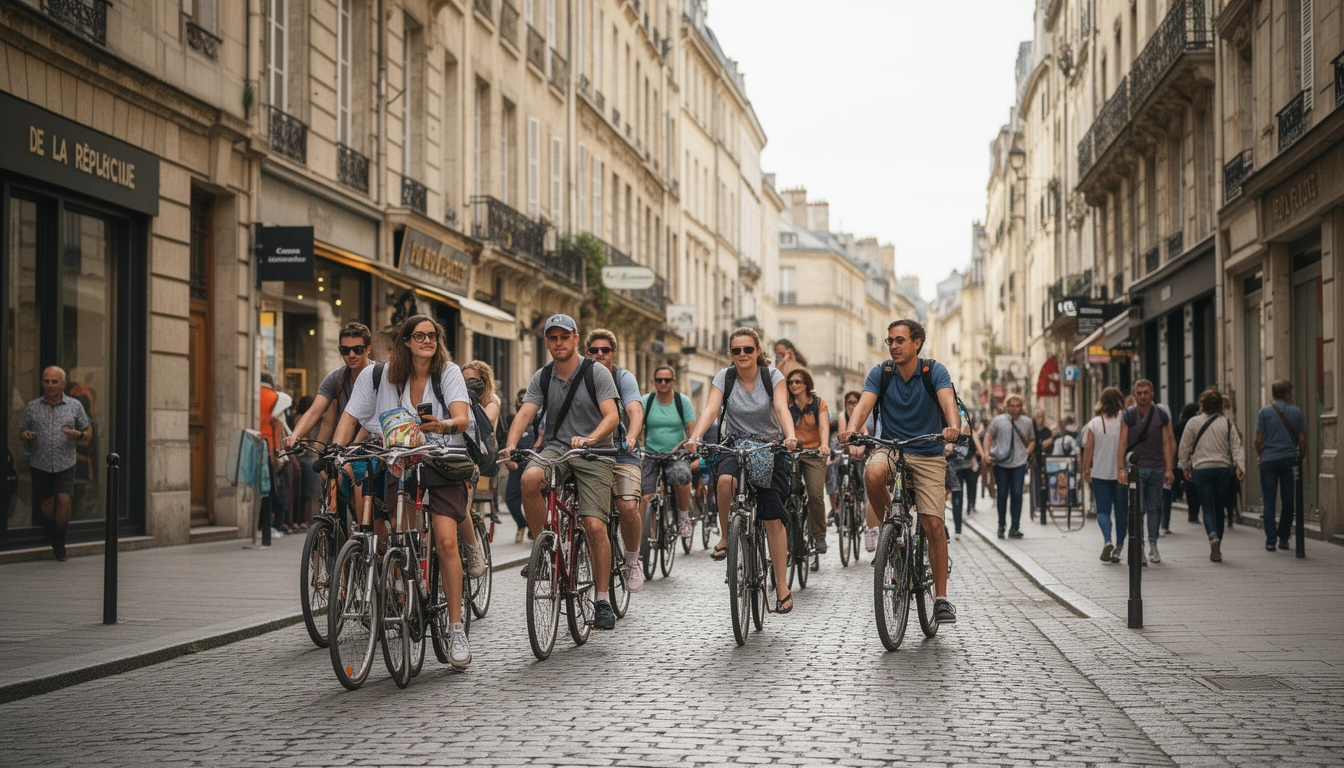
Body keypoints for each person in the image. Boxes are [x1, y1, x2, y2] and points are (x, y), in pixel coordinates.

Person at [332, 315, 476, 668]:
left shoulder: (449, 373)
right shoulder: (380, 376)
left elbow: (463, 418)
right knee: (401, 538)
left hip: (441, 460)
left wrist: (443, 424)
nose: (427, 340)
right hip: (401, 464)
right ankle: (409, 593)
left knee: (444, 541)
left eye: (432, 335)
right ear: (406, 342)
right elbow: (351, 417)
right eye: (419, 335)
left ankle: (455, 628)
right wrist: (336, 450)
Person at [502, 314, 621, 630]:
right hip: (557, 449)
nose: (559, 343)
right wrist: (510, 444)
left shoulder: (596, 373)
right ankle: (546, 550)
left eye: (564, 337)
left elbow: (612, 415)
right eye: (553, 338)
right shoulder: (542, 377)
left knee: (595, 525)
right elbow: (525, 412)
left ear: (576, 338)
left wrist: (592, 437)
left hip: (595, 452)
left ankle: (602, 600)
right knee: (529, 478)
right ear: (546, 342)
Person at [840, 318, 962, 623]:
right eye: (890, 341)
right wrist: (853, 430)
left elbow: (948, 401)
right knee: (872, 474)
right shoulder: (882, 373)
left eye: (900, 340)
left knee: (933, 524)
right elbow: (864, 405)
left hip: (928, 452)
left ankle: (942, 600)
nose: (893, 346)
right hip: (891, 448)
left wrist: (953, 427)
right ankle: (893, 531)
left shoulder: (934, 371)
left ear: (917, 342)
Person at [686, 327, 798, 614]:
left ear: (758, 351)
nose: (742, 355)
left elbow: (782, 408)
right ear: (731, 354)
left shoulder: (772, 376)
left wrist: (790, 435)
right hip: (734, 445)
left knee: (773, 516)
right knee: (724, 480)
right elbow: (711, 409)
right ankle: (726, 536)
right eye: (736, 350)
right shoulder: (724, 378)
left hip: (768, 447)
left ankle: (782, 587)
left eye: (748, 349)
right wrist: (696, 436)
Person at [583, 329, 647, 591]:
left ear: (613, 353)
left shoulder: (623, 378)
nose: (599, 355)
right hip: (588, 450)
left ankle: (632, 561)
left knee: (628, 506)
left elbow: (635, 410)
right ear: (587, 352)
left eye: (605, 350)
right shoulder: (579, 375)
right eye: (594, 350)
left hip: (621, 449)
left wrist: (631, 436)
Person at [17, 366, 92, 561]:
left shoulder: (75, 406)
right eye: (46, 381)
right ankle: (54, 535)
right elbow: (22, 430)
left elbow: (88, 434)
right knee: (47, 504)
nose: (49, 385)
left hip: (65, 462)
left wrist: (79, 435)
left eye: (54, 382)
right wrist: (24, 435)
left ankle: (59, 543)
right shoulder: (33, 406)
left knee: (64, 500)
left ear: (63, 384)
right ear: (42, 382)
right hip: (39, 462)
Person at [1178, 388, 1246, 562]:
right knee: (1219, 508)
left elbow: (1184, 447)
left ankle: (1212, 536)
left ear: (1202, 404)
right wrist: (1240, 466)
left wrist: (1184, 466)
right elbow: (1237, 446)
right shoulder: (1227, 423)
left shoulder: (1193, 422)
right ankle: (1218, 544)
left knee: (1207, 507)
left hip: (1201, 469)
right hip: (1222, 469)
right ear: (1220, 406)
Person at [284, 322, 375, 448]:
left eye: (357, 350)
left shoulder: (379, 376)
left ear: (368, 349)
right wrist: (294, 436)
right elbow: (314, 412)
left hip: (376, 449)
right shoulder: (336, 378)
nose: (351, 355)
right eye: (345, 350)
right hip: (343, 449)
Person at [1116, 380, 1175, 566]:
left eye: (1146, 393)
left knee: (1154, 508)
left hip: (1157, 468)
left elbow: (1167, 442)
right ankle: (1139, 548)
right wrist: (1120, 469)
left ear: (1152, 394)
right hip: (1136, 470)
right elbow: (1122, 443)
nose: (1142, 396)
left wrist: (1169, 468)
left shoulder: (1162, 415)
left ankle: (1153, 546)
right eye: (1139, 393)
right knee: (1137, 510)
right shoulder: (1129, 415)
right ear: (1135, 394)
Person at [640, 365, 696, 538]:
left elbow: (692, 430)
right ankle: (641, 537)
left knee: (681, 478)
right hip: (651, 453)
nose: (663, 383)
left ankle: (684, 518)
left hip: (676, 454)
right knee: (644, 495)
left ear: (673, 381)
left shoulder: (682, 401)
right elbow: (636, 425)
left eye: (667, 380)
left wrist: (690, 444)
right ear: (653, 382)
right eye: (659, 380)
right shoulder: (646, 401)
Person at [1255, 379, 1307, 552]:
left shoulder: (1264, 412)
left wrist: (1260, 454)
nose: (1291, 395)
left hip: (1268, 460)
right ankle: (1283, 538)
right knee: (1288, 500)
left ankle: (1270, 540)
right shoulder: (1296, 412)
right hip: (1287, 460)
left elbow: (1259, 439)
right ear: (1286, 394)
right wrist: (1300, 457)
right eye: (1290, 392)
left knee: (1268, 500)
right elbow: (1302, 439)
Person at [785, 367, 831, 553]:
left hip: (814, 454)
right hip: (792, 454)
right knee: (785, 494)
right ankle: (786, 533)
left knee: (816, 495)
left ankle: (819, 536)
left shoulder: (818, 403)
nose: (794, 385)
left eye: (798, 382)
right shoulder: (786, 404)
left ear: (806, 384)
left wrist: (825, 445)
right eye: (791, 382)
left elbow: (824, 428)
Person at [1082, 387, 1127, 563]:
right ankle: (1119, 547)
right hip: (1121, 473)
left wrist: (1086, 468)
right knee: (1121, 512)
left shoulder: (1094, 423)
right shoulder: (1125, 420)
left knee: (1103, 511)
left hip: (1100, 473)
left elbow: (1089, 448)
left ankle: (1107, 540)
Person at [984, 395, 1035, 539]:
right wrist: (986, 453)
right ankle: (1001, 525)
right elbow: (988, 436)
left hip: (1019, 464)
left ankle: (1015, 527)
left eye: (1018, 405)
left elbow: (1032, 440)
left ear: (1022, 406)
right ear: (1007, 406)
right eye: (1012, 405)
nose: (1015, 408)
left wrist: (1026, 452)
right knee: (1002, 494)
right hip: (1001, 464)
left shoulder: (1027, 422)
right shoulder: (999, 421)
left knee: (1017, 494)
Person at [503, 388, 532, 543]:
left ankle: (535, 528)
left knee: (533, 498)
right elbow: (505, 439)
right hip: (516, 465)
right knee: (511, 500)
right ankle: (522, 524)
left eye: (524, 399)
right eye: (519, 399)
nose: (521, 402)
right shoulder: (512, 420)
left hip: (533, 464)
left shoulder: (537, 419)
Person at [1174, 402, 1202, 525]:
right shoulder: (1193, 424)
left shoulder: (1181, 424)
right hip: (1193, 457)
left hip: (1185, 457)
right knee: (1193, 486)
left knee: (1189, 485)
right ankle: (1194, 513)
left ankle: (1192, 512)